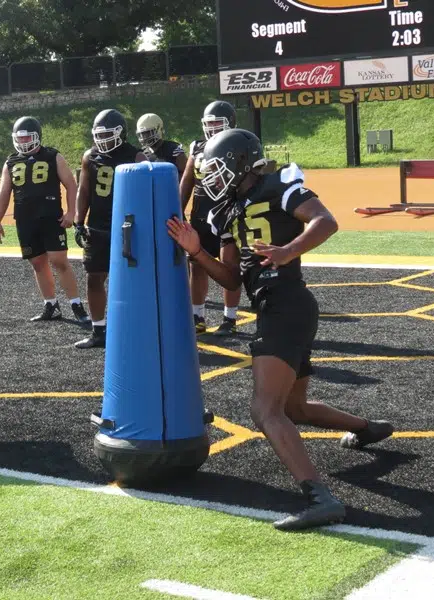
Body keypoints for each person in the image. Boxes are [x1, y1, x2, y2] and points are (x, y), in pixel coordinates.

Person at [166, 129, 394, 531]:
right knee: (293, 408)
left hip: (286, 304)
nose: (212, 180)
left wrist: (289, 250)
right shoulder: (227, 212)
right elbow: (232, 280)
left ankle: (320, 498)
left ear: (239, 162)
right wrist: (196, 251)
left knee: (264, 408)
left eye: (217, 170)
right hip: (282, 308)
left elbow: (326, 221)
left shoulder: (278, 186)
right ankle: (367, 429)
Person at [0, 116, 90, 324]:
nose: (24, 142)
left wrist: (72, 212)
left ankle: (76, 304)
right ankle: (50, 304)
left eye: (28, 138)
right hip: (25, 220)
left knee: (59, 261)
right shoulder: (11, 162)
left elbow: (71, 185)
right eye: (21, 138)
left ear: (37, 137)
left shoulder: (53, 156)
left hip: (50, 217)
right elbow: (4, 193)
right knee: (37, 263)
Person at [73, 109, 147, 349]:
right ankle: (99, 330)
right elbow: (84, 191)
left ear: (121, 133)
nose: (102, 140)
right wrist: (78, 221)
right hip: (98, 227)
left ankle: (134, 328)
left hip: (127, 228)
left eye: (108, 135)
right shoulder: (89, 156)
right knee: (94, 278)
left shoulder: (136, 157)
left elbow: (148, 195)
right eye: (99, 135)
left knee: (130, 280)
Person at [179, 100, 242, 336]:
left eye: (217, 123)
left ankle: (230, 318)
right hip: (201, 215)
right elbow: (187, 182)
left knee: (230, 266)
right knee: (197, 266)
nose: (212, 128)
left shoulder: (239, 143)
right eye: (209, 124)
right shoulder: (197, 147)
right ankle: (198, 316)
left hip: (228, 213)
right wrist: (177, 208)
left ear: (230, 124)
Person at [136, 113, 186, 177]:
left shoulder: (174, 149)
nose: (144, 137)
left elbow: (186, 176)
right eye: (142, 134)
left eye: (147, 133)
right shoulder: (142, 153)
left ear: (159, 129)